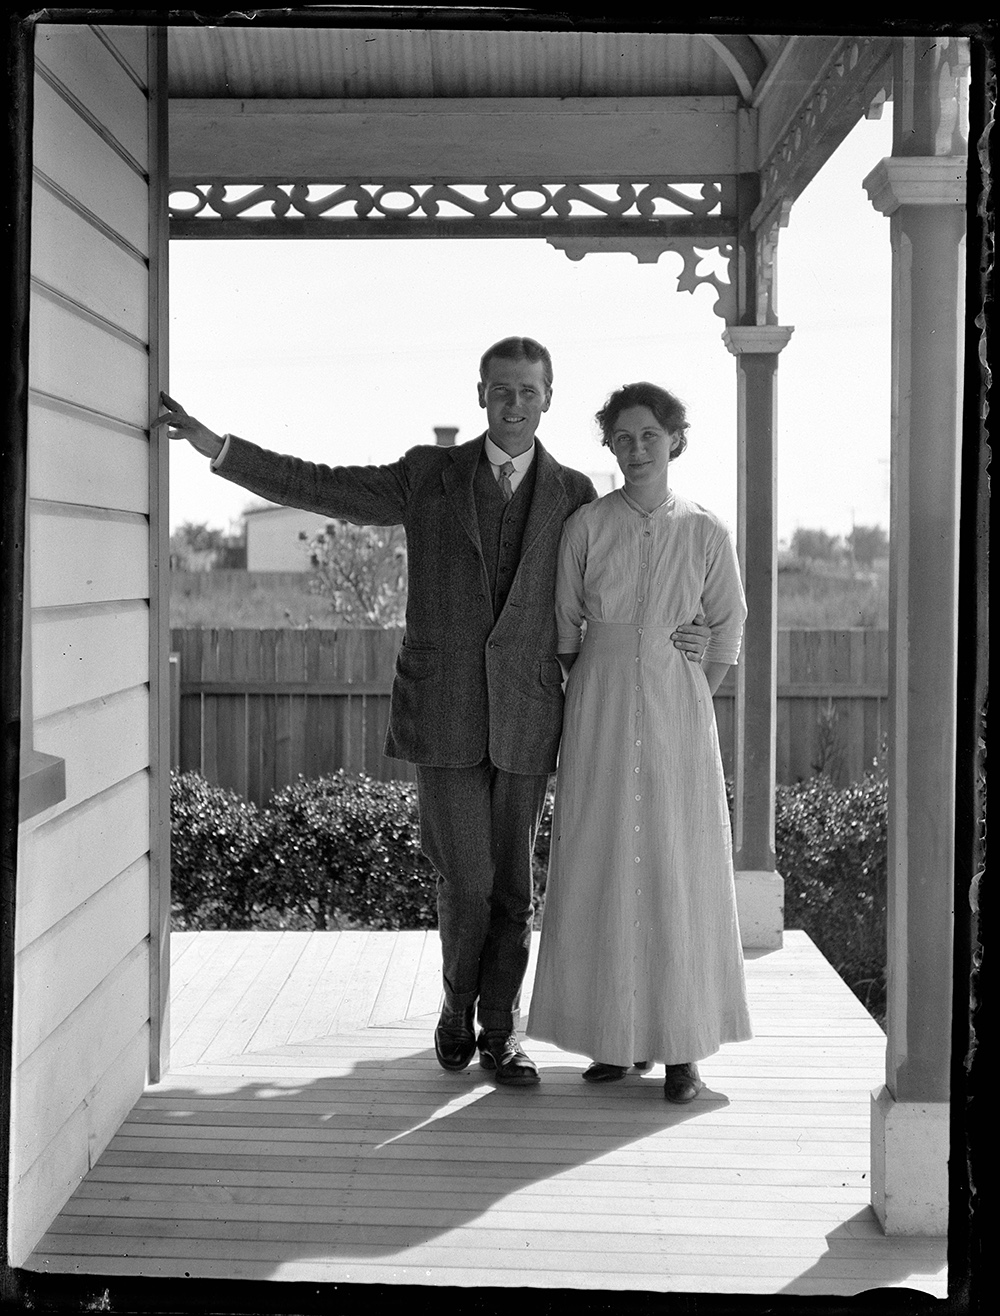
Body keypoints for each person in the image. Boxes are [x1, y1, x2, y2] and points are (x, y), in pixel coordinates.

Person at [156, 342, 710, 1088]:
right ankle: (458, 1008)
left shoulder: (575, 492)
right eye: (502, 390)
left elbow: (625, 569)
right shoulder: (429, 476)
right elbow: (328, 488)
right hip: (443, 707)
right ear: (481, 395)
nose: (515, 403)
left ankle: (500, 1034)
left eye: (529, 391)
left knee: (515, 885)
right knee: (467, 877)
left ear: (549, 398)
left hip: (529, 713)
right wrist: (219, 448)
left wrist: (691, 627)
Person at [527, 381, 752, 1103]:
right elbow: (566, 630)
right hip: (599, 709)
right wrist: (604, 681)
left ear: (675, 439)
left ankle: (682, 1049)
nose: (636, 449)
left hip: (678, 713)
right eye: (622, 438)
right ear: (610, 447)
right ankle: (615, 1040)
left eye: (649, 435)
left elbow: (729, 625)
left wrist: (689, 681)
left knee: (674, 862)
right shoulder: (588, 526)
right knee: (602, 862)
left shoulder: (706, 530)